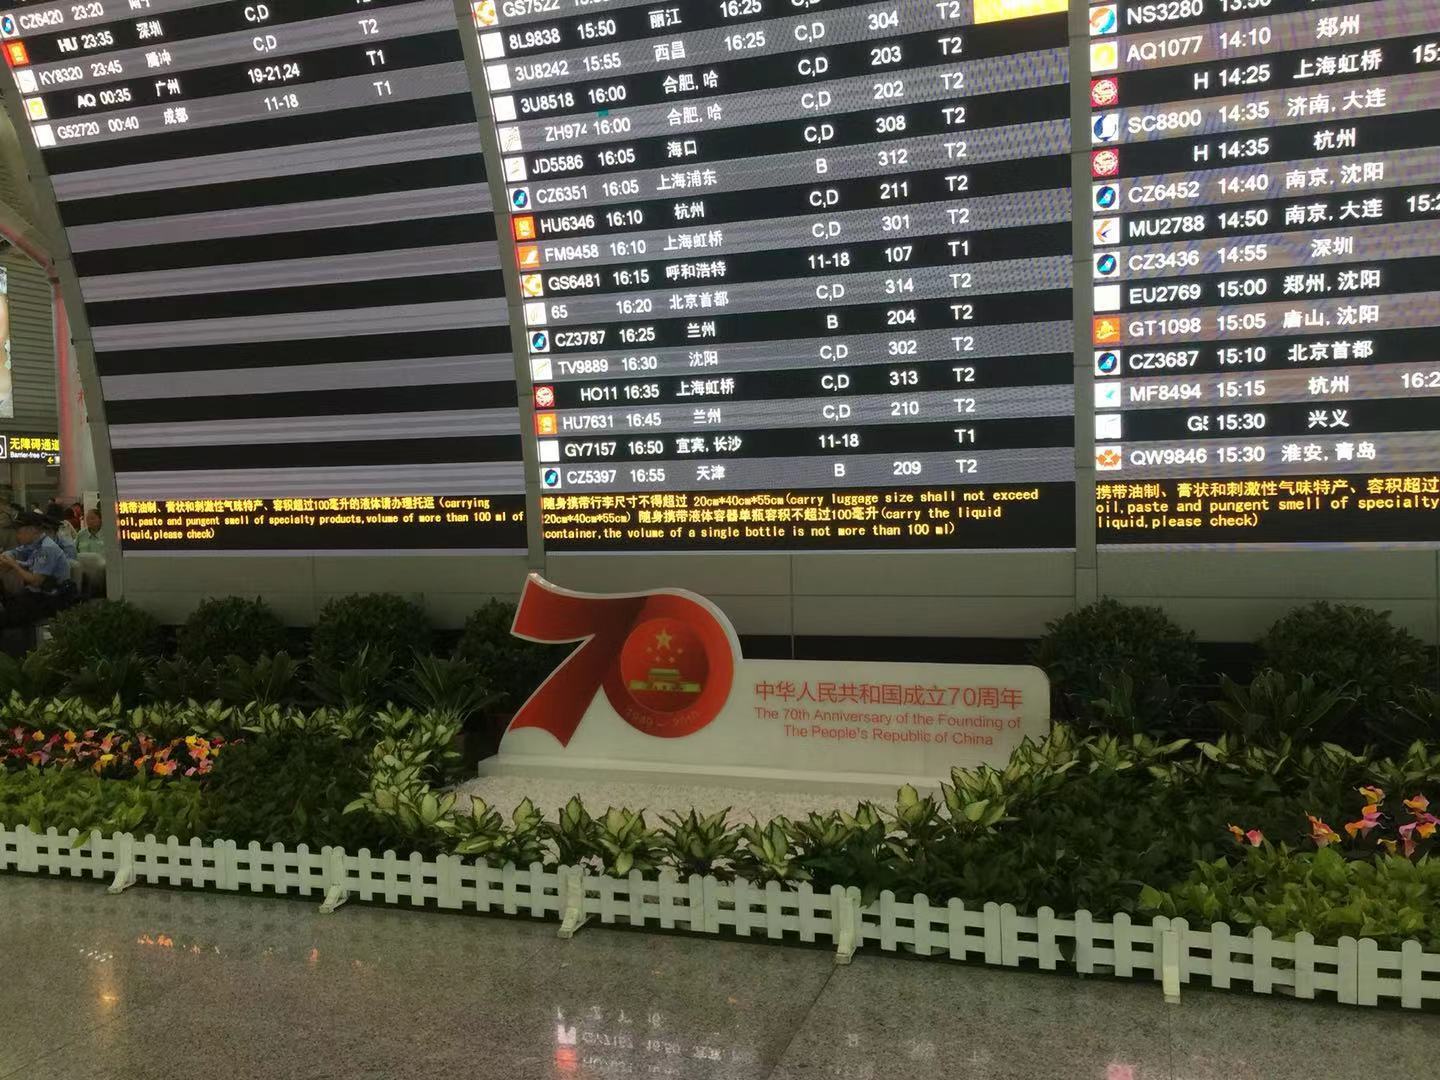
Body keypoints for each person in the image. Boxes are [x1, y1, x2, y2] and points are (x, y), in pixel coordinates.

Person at [0, 510, 74, 625]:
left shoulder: (46, 548)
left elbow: (36, 581)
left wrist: (14, 565)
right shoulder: (33, 545)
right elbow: (15, 552)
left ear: (32, 530)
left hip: (51, 598)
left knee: (5, 618)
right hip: (37, 594)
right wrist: (5, 558)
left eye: (19, 532)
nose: (17, 536)